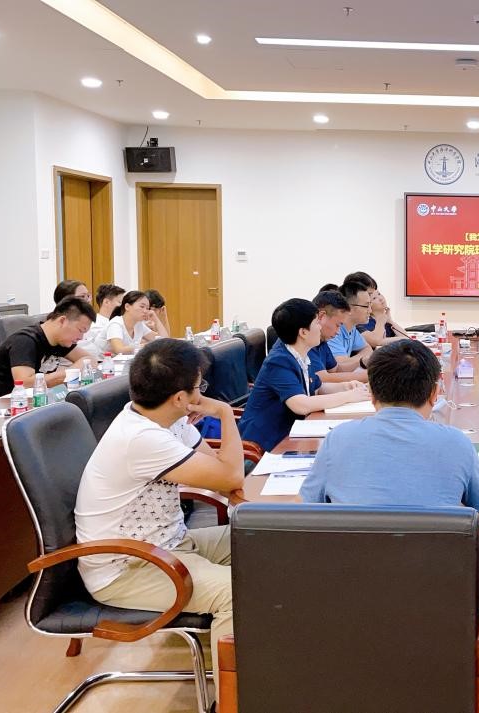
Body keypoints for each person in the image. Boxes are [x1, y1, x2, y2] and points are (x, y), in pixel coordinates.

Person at [74, 338, 244, 692]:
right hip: (128, 567)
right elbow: (231, 477)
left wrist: (222, 458)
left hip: (169, 545)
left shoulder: (164, 420)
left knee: (265, 539)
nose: (202, 394)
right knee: (236, 592)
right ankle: (231, 699)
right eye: (199, 387)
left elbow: (216, 467)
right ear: (180, 398)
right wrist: (226, 413)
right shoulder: (142, 438)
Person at [303, 339, 479, 523]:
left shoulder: (338, 439)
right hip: (430, 550)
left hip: (356, 550)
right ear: (434, 395)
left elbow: (304, 507)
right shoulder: (456, 442)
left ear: (372, 393)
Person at [237, 298, 369, 450]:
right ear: (303, 332)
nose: (320, 326)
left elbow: (317, 387)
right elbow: (301, 405)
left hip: (290, 435)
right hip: (263, 446)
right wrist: (348, 396)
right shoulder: (279, 361)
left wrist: (347, 386)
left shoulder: (302, 354)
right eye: (317, 322)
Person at [0, 297, 95, 397]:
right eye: (80, 330)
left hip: (36, 400)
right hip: (5, 404)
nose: (81, 337)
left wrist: (74, 370)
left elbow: (90, 360)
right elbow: (25, 383)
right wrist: (70, 373)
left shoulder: (60, 340)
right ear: (63, 321)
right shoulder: (25, 341)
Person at [310, 290, 367, 384]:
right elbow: (322, 378)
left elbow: (335, 369)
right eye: (338, 325)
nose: (338, 332)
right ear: (321, 316)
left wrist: (363, 362)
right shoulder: (307, 342)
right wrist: (371, 375)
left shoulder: (322, 341)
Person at [344, 271, 404, 345]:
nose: (380, 298)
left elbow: (367, 348)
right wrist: (380, 322)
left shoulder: (359, 321)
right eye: (371, 295)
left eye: (379, 294)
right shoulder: (356, 322)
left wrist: (389, 321)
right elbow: (376, 341)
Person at [97, 290, 161, 355]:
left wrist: (156, 319)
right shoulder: (116, 323)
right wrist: (145, 346)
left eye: (147, 308)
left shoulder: (139, 324)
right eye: (142, 306)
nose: (145, 311)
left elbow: (162, 340)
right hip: (101, 360)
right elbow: (119, 350)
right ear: (127, 307)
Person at [329, 281, 375, 370]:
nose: (370, 310)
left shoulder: (351, 329)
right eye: (366, 306)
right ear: (349, 308)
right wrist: (362, 360)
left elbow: (367, 349)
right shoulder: (332, 331)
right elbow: (340, 367)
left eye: (370, 305)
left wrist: (352, 361)